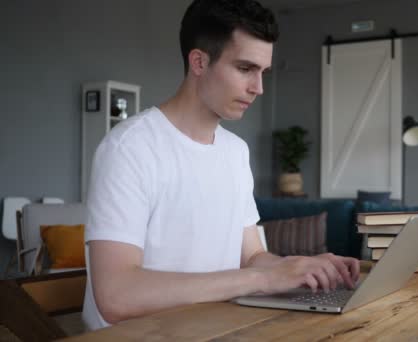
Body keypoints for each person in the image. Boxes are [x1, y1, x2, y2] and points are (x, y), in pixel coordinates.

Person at [82, 0, 360, 330]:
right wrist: (260, 280)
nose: (258, 88)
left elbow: (253, 257)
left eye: (262, 72)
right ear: (199, 61)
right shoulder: (130, 147)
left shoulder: (234, 151)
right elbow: (117, 296)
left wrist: (302, 266)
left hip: (219, 329)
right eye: (245, 69)